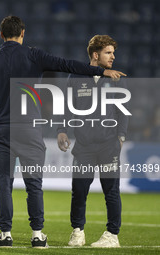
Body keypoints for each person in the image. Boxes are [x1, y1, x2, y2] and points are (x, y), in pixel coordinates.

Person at [0, 16, 126, 248]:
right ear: (22, 33)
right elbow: (67, 64)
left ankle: (5, 234)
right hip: (30, 130)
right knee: (34, 185)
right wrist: (98, 71)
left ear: (1, 35)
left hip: (3, 131)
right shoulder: (33, 55)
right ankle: (38, 235)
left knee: (4, 184)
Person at [57, 35, 128, 248]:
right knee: (79, 191)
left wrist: (121, 135)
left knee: (111, 192)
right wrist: (61, 130)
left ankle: (112, 235)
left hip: (108, 146)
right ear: (95, 55)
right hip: (84, 146)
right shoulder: (76, 78)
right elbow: (66, 107)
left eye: (113, 53)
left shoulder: (116, 79)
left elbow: (123, 110)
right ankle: (77, 232)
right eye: (108, 52)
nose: (113, 57)